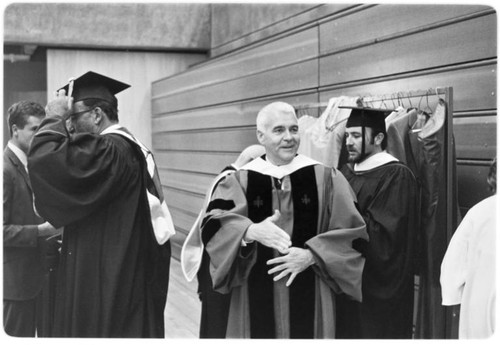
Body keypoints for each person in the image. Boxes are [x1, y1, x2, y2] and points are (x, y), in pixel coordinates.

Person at [200, 101, 368, 338]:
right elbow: (213, 226)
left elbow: (353, 233)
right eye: (279, 130)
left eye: (294, 129)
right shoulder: (239, 181)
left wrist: (313, 255)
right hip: (254, 293)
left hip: (313, 291)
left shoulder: (328, 178)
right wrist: (249, 231)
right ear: (261, 136)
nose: (289, 137)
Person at [27, 71, 174, 337]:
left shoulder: (111, 149)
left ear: (96, 115)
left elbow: (47, 162)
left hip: (107, 277)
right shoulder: (129, 149)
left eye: (73, 118)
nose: (69, 127)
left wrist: (53, 118)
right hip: (121, 268)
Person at [336, 106, 419, 339]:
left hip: (377, 292)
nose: (348, 142)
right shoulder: (347, 170)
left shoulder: (396, 176)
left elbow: (383, 238)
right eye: (347, 135)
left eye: (356, 136)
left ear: (379, 138)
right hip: (347, 285)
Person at [181, 144, 265, 338]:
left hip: (213, 263)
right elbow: (221, 227)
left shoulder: (224, 175)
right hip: (219, 265)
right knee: (220, 326)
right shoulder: (230, 181)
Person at [3, 100, 62, 337]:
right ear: (15, 130)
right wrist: (42, 230)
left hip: (40, 278)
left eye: (42, 129)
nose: (39, 135)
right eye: (33, 129)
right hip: (18, 284)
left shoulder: (30, 163)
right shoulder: (4, 170)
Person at [440, 158, 496, 339]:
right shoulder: (480, 213)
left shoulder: (479, 212)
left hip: (482, 306)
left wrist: (453, 296)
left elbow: (452, 265)